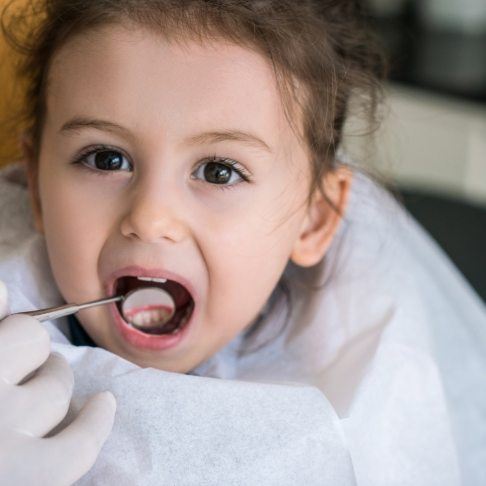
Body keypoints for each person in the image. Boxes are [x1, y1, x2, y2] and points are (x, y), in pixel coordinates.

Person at [0, 0, 485, 484]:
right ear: (38, 188)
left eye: (218, 171)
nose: (151, 219)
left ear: (314, 220)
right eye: (106, 159)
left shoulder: (371, 385)